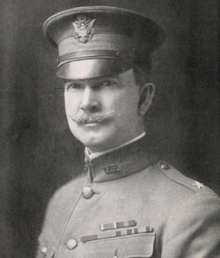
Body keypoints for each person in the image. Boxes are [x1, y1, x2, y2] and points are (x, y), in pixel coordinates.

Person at [37, 6, 220, 258]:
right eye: (75, 86)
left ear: (143, 98)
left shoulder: (191, 210)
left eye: (106, 83)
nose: (87, 102)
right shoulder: (61, 202)